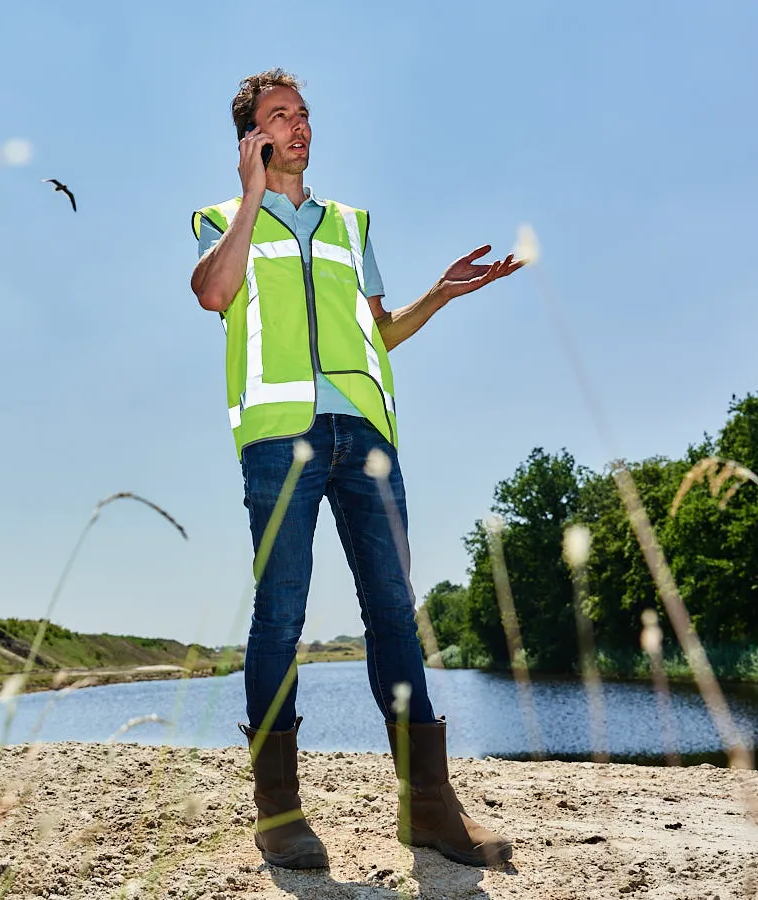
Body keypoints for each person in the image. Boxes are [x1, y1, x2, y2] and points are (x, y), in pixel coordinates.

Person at [188, 68, 523, 870]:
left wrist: (437, 296)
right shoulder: (217, 219)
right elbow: (213, 294)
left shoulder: (349, 225)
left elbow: (380, 334)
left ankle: (430, 807)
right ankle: (279, 813)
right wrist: (246, 195)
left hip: (365, 435)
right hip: (280, 440)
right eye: (279, 118)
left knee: (393, 613)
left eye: (303, 115)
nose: (298, 128)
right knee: (280, 616)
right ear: (252, 136)